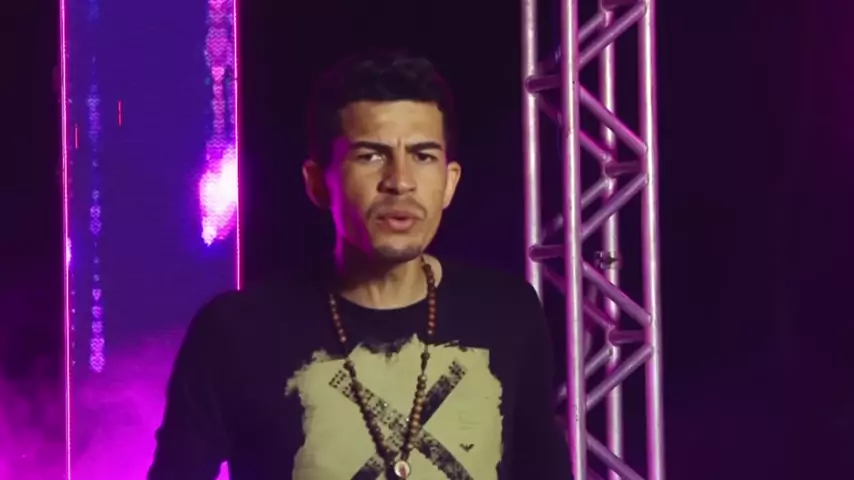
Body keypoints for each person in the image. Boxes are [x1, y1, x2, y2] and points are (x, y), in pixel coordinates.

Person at [148, 51, 570, 480]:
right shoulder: (236, 332)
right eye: (371, 156)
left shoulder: (507, 313)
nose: (400, 181)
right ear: (318, 183)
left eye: (423, 156)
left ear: (450, 182)